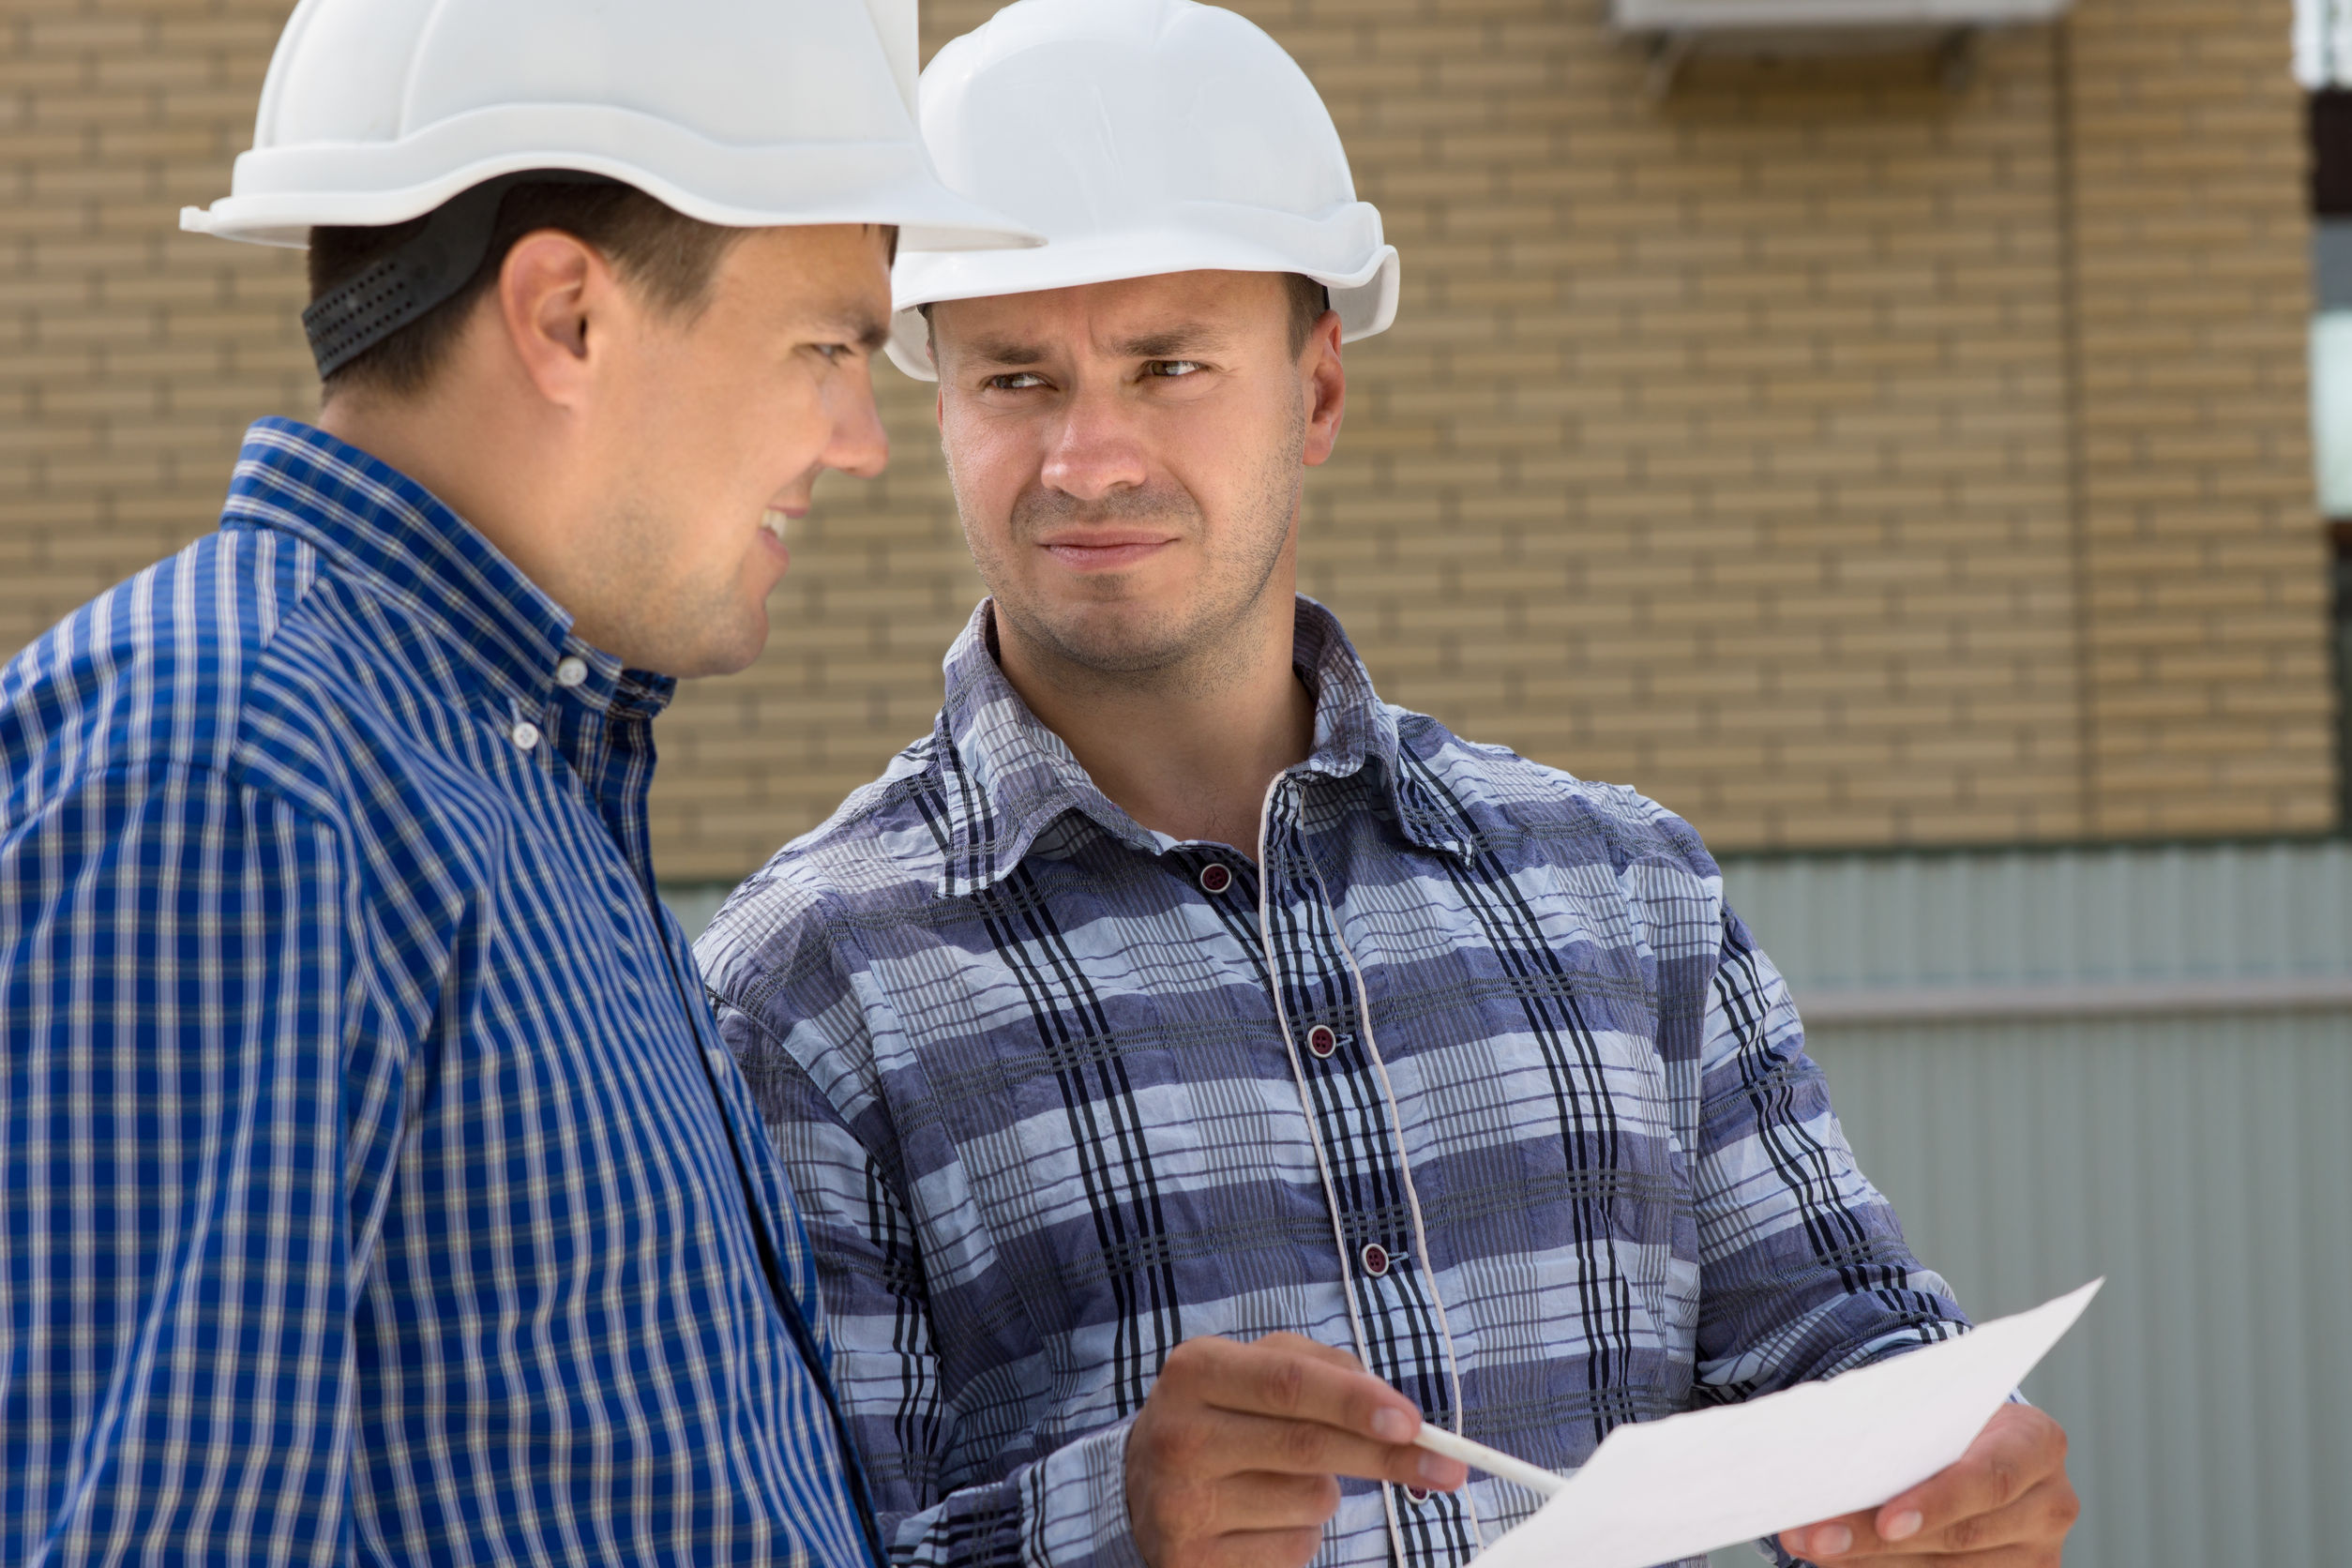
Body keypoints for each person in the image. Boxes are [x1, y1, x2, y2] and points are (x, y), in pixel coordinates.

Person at [695, 3, 2079, 1568]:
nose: (1088, 457)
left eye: (1170, 365)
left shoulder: (1624, 893)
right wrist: (1104, 1529)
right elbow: (775, 1539)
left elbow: (1837, 1333)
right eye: (1015, 379)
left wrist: (1938, 1459)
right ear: (936, 405)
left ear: (1321, 393)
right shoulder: (805, 993)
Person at [0, 1, 1033, 1562]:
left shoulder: (517, 769)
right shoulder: (236, 760)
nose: (858, 436)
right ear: (565, 318)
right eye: (827, 344)